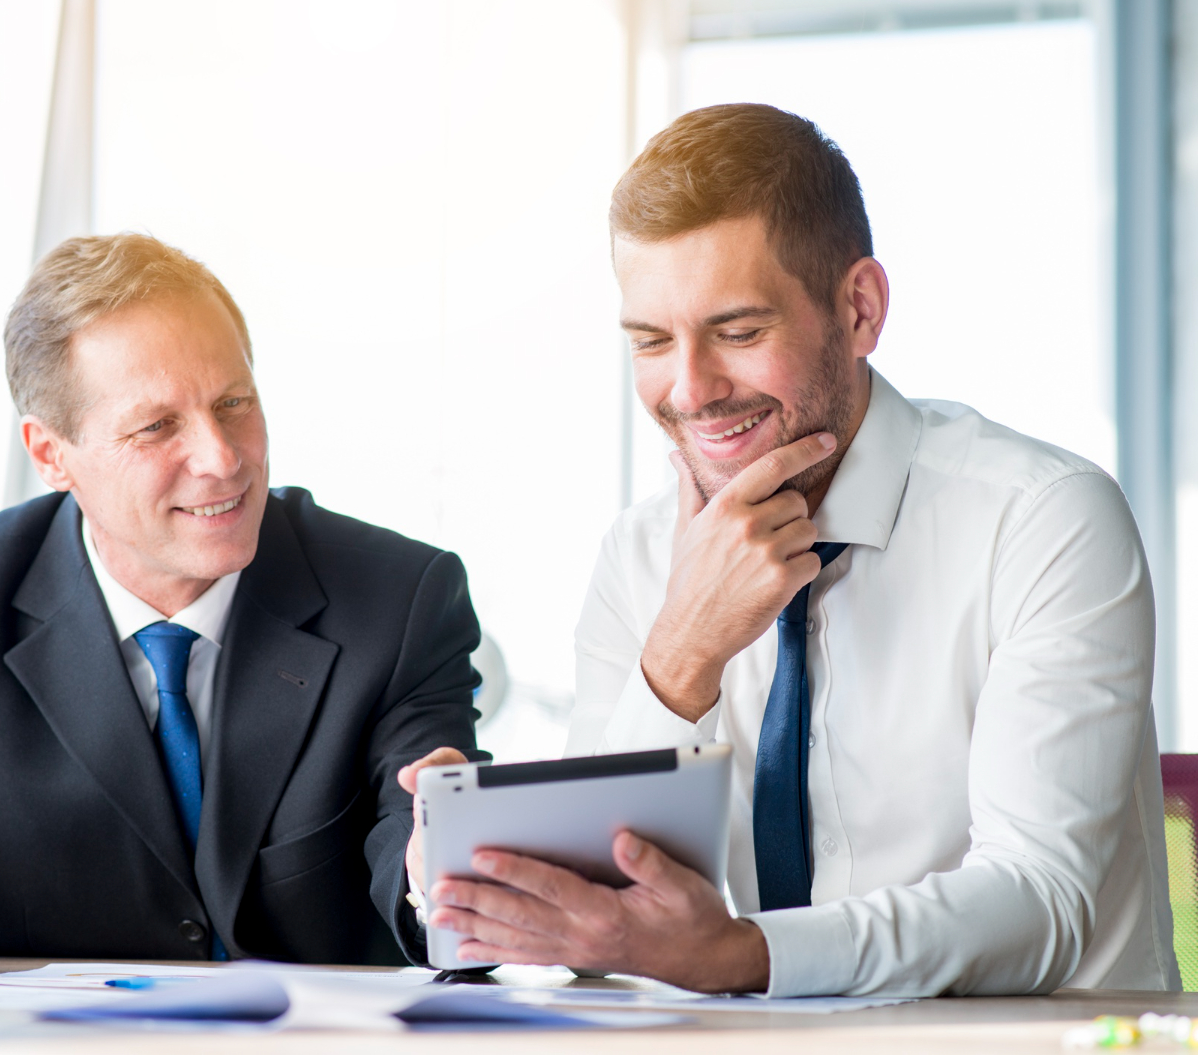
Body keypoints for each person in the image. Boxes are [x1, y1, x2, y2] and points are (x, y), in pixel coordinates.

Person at [423, 104, 1179, 996]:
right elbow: (595, 928)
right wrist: (681, 652)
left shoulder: (1043, 519)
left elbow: (1042, 903)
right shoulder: (637, 555)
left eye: (738, 332)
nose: (692, 389)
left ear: (859, 310)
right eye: (653, 342)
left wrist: (743, 957)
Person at [0, 234, 482, 978]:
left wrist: (438, 868)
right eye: (157, 427)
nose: (221, 459)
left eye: (234, 401)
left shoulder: (401, 596)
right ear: (50, 454)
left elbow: (414, 832)